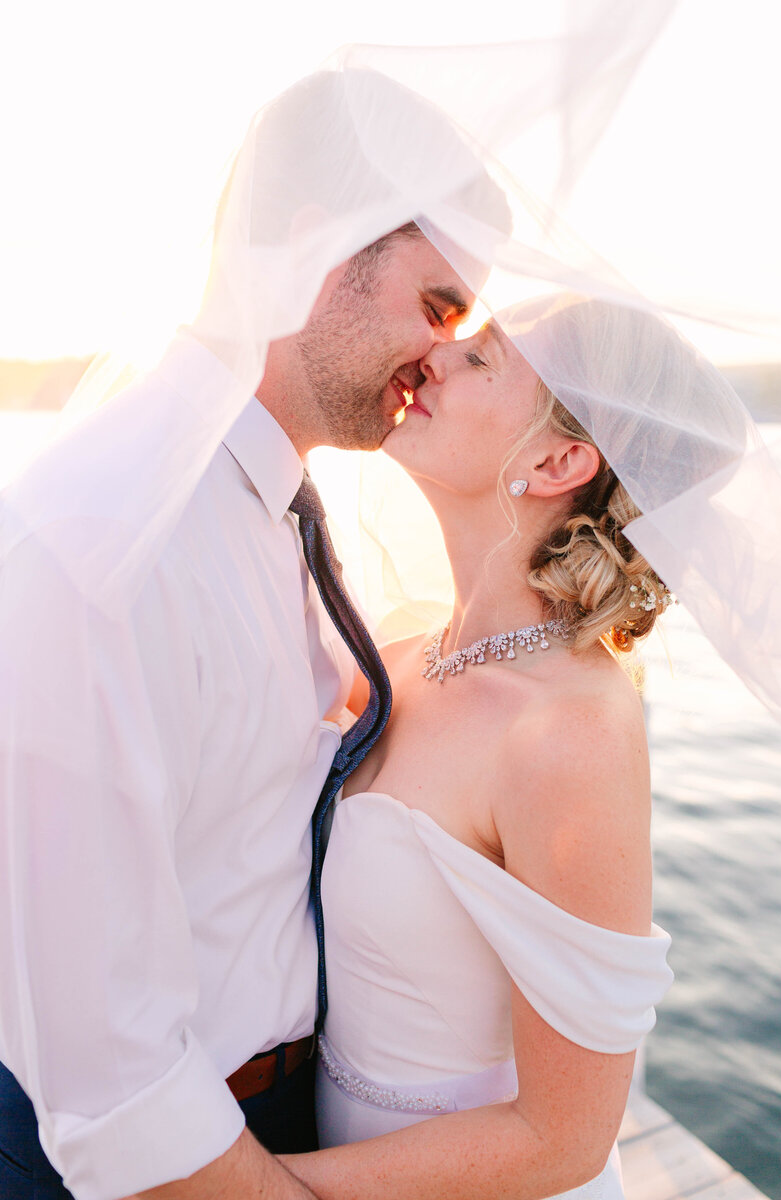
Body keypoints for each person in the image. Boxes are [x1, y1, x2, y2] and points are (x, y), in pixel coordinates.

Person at [0, 69, 507, 1200]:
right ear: (312, 249)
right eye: (436, 307)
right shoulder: (99, 551)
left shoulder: (273, 505)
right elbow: (110, 1083)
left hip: (273, 1119)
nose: (438, 360)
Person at [269, 294, 752, 1199]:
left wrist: (266, 1187)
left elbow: (562, 1138)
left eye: (481, 358)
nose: (430, 358)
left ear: (559, 459)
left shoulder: (570, 735)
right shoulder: (407, 654)